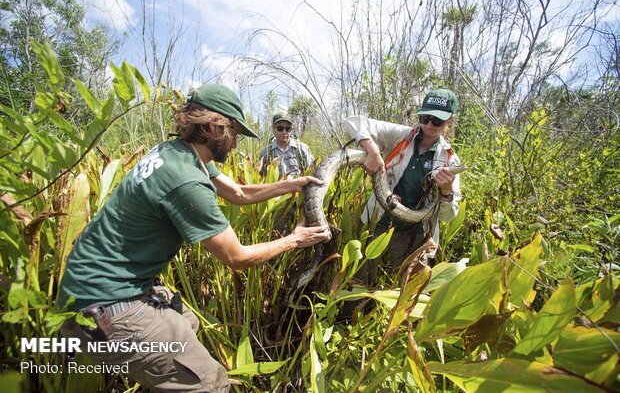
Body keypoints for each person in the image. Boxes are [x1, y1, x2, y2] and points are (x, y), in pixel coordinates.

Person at [58, 83, 330, 392]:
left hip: (91, 285)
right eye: (235, 133)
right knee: (212, 384)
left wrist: (292, 184)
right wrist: (294, 239)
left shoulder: (175, 152)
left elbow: (239, 193)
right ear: (215, 127)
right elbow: (236, 257)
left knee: (188, 322)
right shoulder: (186, 180)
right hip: (106, 303)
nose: (236, 143)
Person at [344, 89, 462, 281]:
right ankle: (353, 309)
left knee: (411, 287)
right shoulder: (401, 135)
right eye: (425, 118)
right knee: (360, 278)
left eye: (437, 121)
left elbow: (448, 216)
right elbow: (353, 121)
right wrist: (373, 150)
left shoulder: (449, 159)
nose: (429, 125)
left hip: (414, 234)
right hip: (378, 222)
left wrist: (447, 191)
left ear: (449, 121)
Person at [259, 111, 314, 179]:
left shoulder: (302, 149)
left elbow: (312, 172)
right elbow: (260, 177)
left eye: (288, 128)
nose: (284, 132)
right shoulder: (266, 152)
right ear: (273, 129)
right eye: (280, 128)